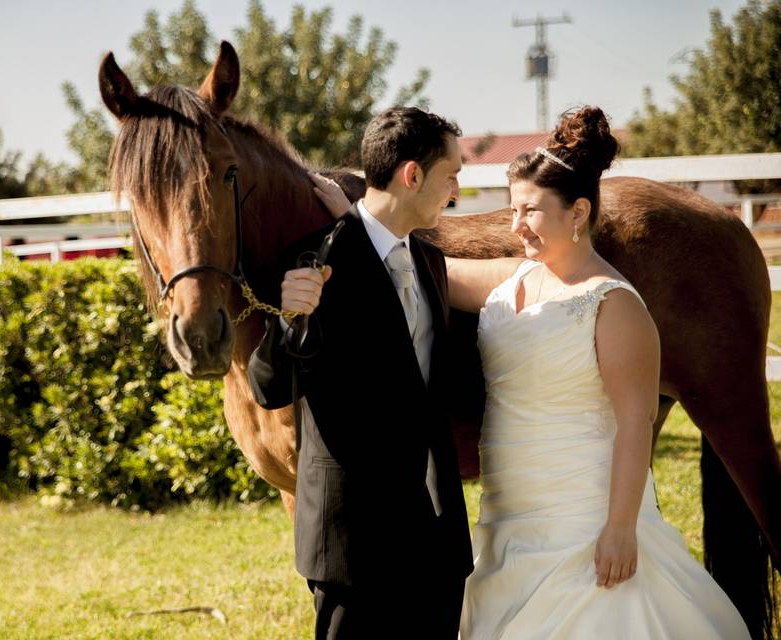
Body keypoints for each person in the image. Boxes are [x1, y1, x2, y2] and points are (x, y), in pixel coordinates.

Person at [309, 106, 750, 639]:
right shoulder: (510, 278)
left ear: (579, 213)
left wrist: (619, 529)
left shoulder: (613, 304)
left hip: (580, 520)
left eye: (531, 211)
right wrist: (349, 224)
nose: (516, 226)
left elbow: (636, 423)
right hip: (509, 518)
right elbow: (403, 264)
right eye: (513, 208)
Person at [248, 106, 473, 639]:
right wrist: (288, 322)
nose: (456, 191)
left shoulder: (430, 261)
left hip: (437, 538)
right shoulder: (313, 258)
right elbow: (267, 386)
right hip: (353, 545)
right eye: (451, 175)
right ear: (411, 175)